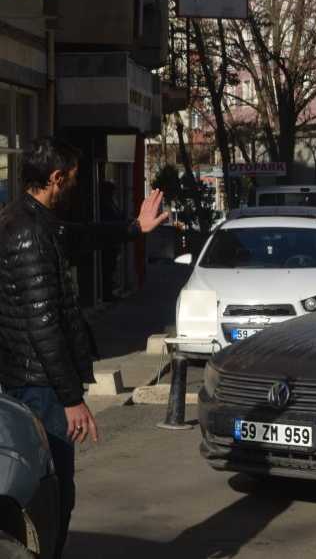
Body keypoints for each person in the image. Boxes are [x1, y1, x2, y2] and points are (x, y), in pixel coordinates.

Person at [0, 138, 167, 558]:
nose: (76, 187)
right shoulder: (27, 233)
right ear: (56, 179)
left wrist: (133, 228)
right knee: (51, 498)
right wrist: (72, 399)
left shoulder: (35, 221)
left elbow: (78, 237)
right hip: (39, 387)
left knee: (51, 494)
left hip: (36, 382)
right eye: (73, 180)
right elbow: (44, 327)